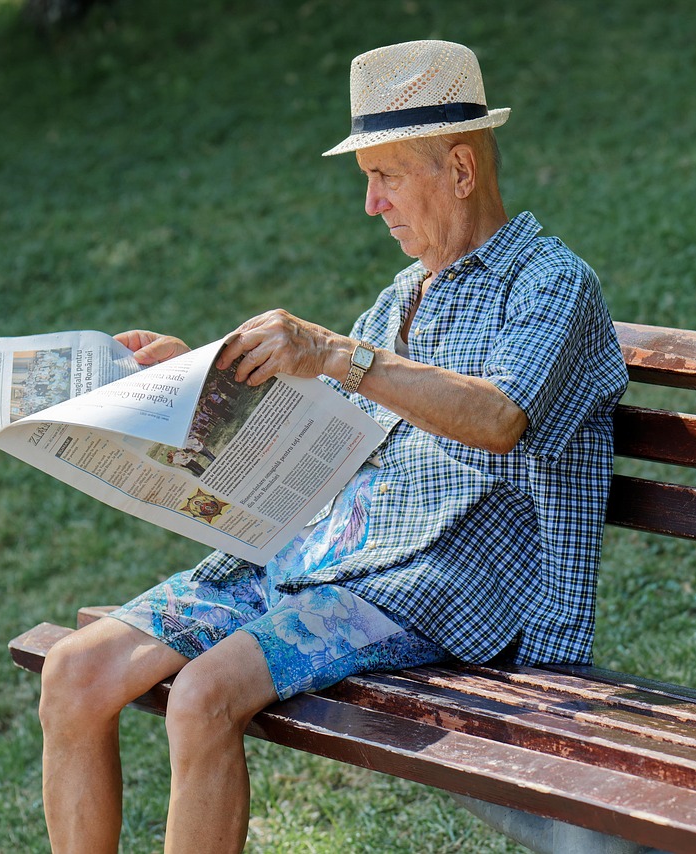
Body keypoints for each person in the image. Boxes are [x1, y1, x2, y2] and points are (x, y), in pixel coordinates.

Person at [37, 39, 627, 853]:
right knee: (74, 673)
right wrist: (194, 382)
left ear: (459, 170)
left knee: (203, 694)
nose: (372, 204)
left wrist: (338, 353)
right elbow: (329, 425)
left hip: (440, 585)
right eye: (368, 182)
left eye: (386, 177)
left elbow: (500, 418)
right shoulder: (402, 297)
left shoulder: (552, 283)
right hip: (322, 556)